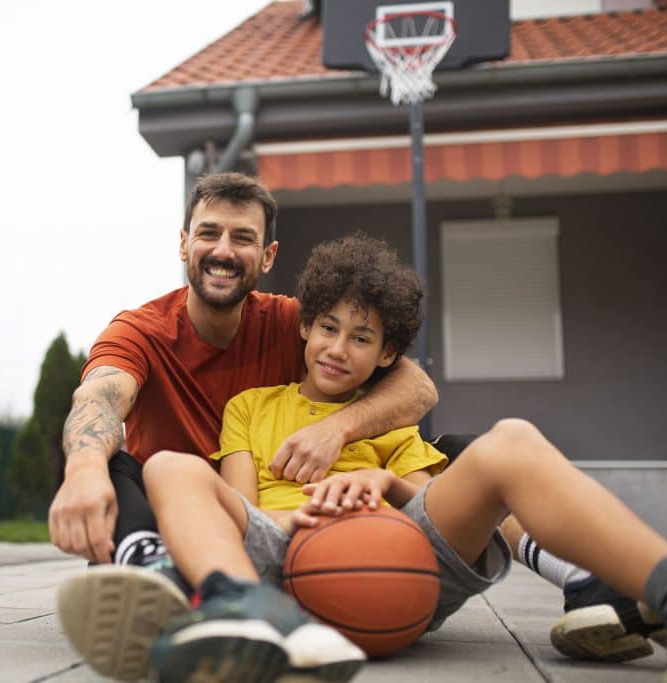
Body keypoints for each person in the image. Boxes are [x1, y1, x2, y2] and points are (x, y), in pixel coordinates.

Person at [133, 234, 667, 683]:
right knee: (167, 464)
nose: (339, 349)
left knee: (512, 437)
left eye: (362, 338)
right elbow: (241, 508)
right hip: (282, 553)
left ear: (388, 353)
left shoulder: (388, 423)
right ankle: (244, 612)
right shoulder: (251, 407)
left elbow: (438, 508)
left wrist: (383, 482)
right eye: (329, 329)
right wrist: (314, 519)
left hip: (399, 558)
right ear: (305, 328)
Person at [50, 173, 437, 680]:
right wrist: (81, 472)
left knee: (462, 450)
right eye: (209, 233)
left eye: (243, 238)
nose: (223, 250)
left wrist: (338, 428)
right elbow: (99, 397)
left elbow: (418, 388)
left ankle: (194, 594)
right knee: (116, 465)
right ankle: (156, 569)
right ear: (185, 243)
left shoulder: (291, 322)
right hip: (170, 512)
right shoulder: (141, 330)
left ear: (268, 255)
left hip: (262, 518)